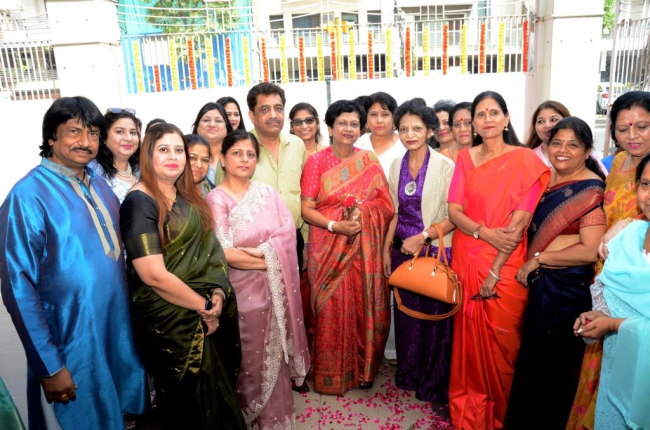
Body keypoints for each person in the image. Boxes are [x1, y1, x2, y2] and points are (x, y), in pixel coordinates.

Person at [0, 96, 147, 429]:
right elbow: (17, 287)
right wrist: (49, 365)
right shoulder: (27, 196)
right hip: (69, 346)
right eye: (74, 131)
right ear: (51, 137)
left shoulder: (100, 184)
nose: (86, 141)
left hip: (115, 337)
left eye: (93, 133)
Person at [120, 123, 245, 430]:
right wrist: (204, 306)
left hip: (203, 308)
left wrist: (217, 292)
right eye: (164, 149)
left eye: (179, 150)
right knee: (187, 406)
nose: (173, 157)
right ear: (148, 155)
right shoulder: (139, 202)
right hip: (169, 322)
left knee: (217, 396)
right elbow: (153, 275)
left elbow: (211, 252)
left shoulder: (187, 197)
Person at [447, 91, 550, 430]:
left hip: (504, 262)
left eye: (494, 112)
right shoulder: (465, 159)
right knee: (468, 338)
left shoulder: (525, 160)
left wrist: (493, 270)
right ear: (473, 124)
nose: (487, 119)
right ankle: (472, 406)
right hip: (468, 254)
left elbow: (518, 224)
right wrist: (483, 232)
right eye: (481, 114)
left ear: (506, 119)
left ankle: (505, 412)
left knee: (504, 340)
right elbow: (454, 211)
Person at [506, 117, 607, 429]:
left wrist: (539, 259)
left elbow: (589, 250)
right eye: (557, 143)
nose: (562, 150)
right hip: (541, 286)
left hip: (566, 291)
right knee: (533, 361)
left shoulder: (590, 191)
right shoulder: (545, 179)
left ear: (587, 151)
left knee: (555, 367)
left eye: (572, 145)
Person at [206, 130, 309, 429]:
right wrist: (271, 261)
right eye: (237, 153)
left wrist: (263, 256)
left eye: (250, 154)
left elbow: (287, 235)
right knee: (250, 358)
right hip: (241, 294)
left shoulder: (268, 194)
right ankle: (248, 415)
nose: (244, 159)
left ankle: (276, 419)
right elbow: (226, 252)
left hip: (276, 290)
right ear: (223, 159)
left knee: (276, 356)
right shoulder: (216, 199)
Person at [568, 90, 650, 430]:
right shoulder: (617, 162)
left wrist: (630, 222)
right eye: (623, 128)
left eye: (642, 127)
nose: (632, 136)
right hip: (606, 270)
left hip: (640, 273)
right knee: (602, 356)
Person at [301, 100, 394, 395]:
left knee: (361, 306)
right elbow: (306, 209)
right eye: (342, 123)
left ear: (360, 129)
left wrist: (363, 211)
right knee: (330, 308)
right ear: (330, 128)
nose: (348, 128)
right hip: (327, 247)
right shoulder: (316, 162)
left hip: (363, 251)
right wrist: (335, 225)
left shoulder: (368, 161)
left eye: (354, 124)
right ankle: (329, 374)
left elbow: (386, 205)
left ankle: (361, 370)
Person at [382, 100, 455, 405]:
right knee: (407, 319)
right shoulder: (396, 165)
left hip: (434, 252)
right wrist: (387, 249)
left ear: (429, 131)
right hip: (403, 252)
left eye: (417, 128)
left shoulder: (445, 166)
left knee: (433, 320)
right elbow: (395, 212)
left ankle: (432, 379)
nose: (410, 135)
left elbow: (454, 217)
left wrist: (422, 238)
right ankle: (409, 372)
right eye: (403, 129)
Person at [246, 82, 308, 273]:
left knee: (293, 292)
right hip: (252, 245)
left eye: (278, 108)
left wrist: (305, 242)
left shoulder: (297, 145)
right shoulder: (239, 147)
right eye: (265, 109)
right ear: (252, 116)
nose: (273, 115)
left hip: (293, 239)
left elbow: (304, 195)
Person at [526, 100, 608, 175]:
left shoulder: (585, 156)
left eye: (553, 119)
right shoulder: (528, 158)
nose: (547, 125)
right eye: (541, 121)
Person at [88, 107, 141, 203]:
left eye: (133, 133)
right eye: (120, 132)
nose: (128, 138)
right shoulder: (93, 172)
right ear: (104, 138)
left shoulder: (142, 170)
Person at [354, 91, 406, 178]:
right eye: (373, 114)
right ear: (366, 117)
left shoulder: (404, 144)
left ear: (394, 117)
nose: (379, 120)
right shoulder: (359, 144)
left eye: (385, 114)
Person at [191, 102, 233, 186]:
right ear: (197, 126)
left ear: (227, 128)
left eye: (218, 121)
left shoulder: (235, 158)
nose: (212, 124)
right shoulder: (183, 155)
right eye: (206, 120)